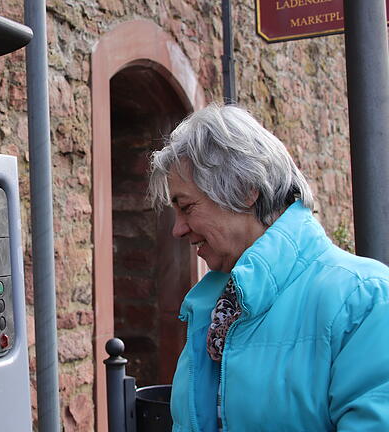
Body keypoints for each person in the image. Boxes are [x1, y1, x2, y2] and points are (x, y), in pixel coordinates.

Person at [147, 104, 389, 431]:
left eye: (187, 207)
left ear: (247, 191)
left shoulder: (365, 300)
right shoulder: (211, 310)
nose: (178, 229)